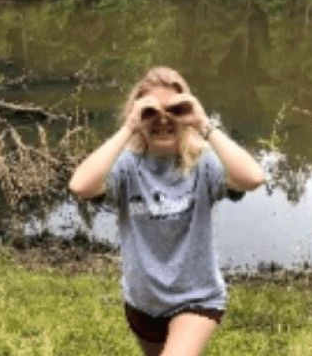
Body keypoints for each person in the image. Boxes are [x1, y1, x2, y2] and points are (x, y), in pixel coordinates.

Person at [68, 66, 264, 356]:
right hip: (143, 302)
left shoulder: (204, 166)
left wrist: (203, 124)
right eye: (150, 113)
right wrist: (128, 128)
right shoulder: (126, 168)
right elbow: (80, 185)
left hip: (197, 298)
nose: (162, 121)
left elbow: (253, 177)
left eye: (174, 110)